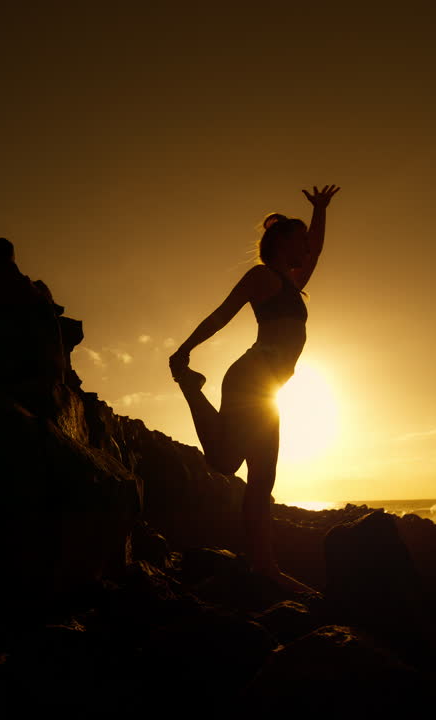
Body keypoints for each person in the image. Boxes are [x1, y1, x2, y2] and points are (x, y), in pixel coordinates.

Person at [169, 184, 340, 590]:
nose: (306, 248)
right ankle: (190, 387)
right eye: (298, 240)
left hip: (270, 386)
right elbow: (222, 313)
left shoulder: (290, 281)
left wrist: (319, 211)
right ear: (282, 244)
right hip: (252, 377)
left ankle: (265, 566)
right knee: (230, 465)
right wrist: (184, 350)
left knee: (260, 477)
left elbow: (315, 250)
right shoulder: (262, 277)